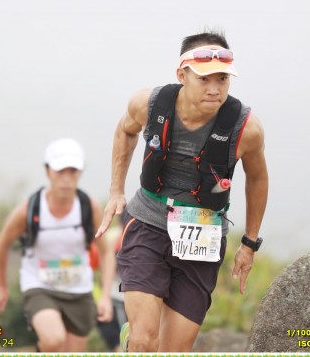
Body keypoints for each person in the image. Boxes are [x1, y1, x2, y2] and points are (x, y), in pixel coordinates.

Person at [96, 31, 269, 352]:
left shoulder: (247, 128)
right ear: (182, 75)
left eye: (222, 79)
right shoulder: (148, 104)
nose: (214, 89)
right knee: (145, 341)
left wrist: (249, 243)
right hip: (147, 223)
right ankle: (134, 338)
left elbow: (257, 179)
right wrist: (116, 190)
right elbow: (125, 130)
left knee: (173, 350)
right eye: (204, 79)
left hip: (203, 236)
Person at [0, 138, 116, 352]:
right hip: (40, 286)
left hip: (79, 288)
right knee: (53, 340)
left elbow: (106, 253)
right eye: (60, 171)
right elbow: (2, 243)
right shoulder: (30, 209)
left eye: (73, 171)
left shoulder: (89, 207)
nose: (66, 179)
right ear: (47, 171)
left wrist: (105, 295)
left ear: (80, 172)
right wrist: (1, 287)